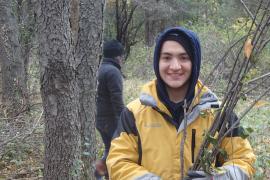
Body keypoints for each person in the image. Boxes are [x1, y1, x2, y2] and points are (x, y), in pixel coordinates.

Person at [106, 27, 255, 180]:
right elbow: (118, 163)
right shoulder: (134, 113)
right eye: (166, 57)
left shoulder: (218, 113)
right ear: (157, 61)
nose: (175, 66)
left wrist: (216, 178)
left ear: (195, 62)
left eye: (184, 58)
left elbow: (244, 161)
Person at [95, 39, 125, 179]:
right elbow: (117, 99)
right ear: (118, 57)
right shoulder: (113, 72)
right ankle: (99, 174)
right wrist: (123, 121)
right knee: (114, 150)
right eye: (121, 56)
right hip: (110, 119)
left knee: (109, 148)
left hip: (99, 118)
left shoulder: (99, 69)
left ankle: (101, 175)